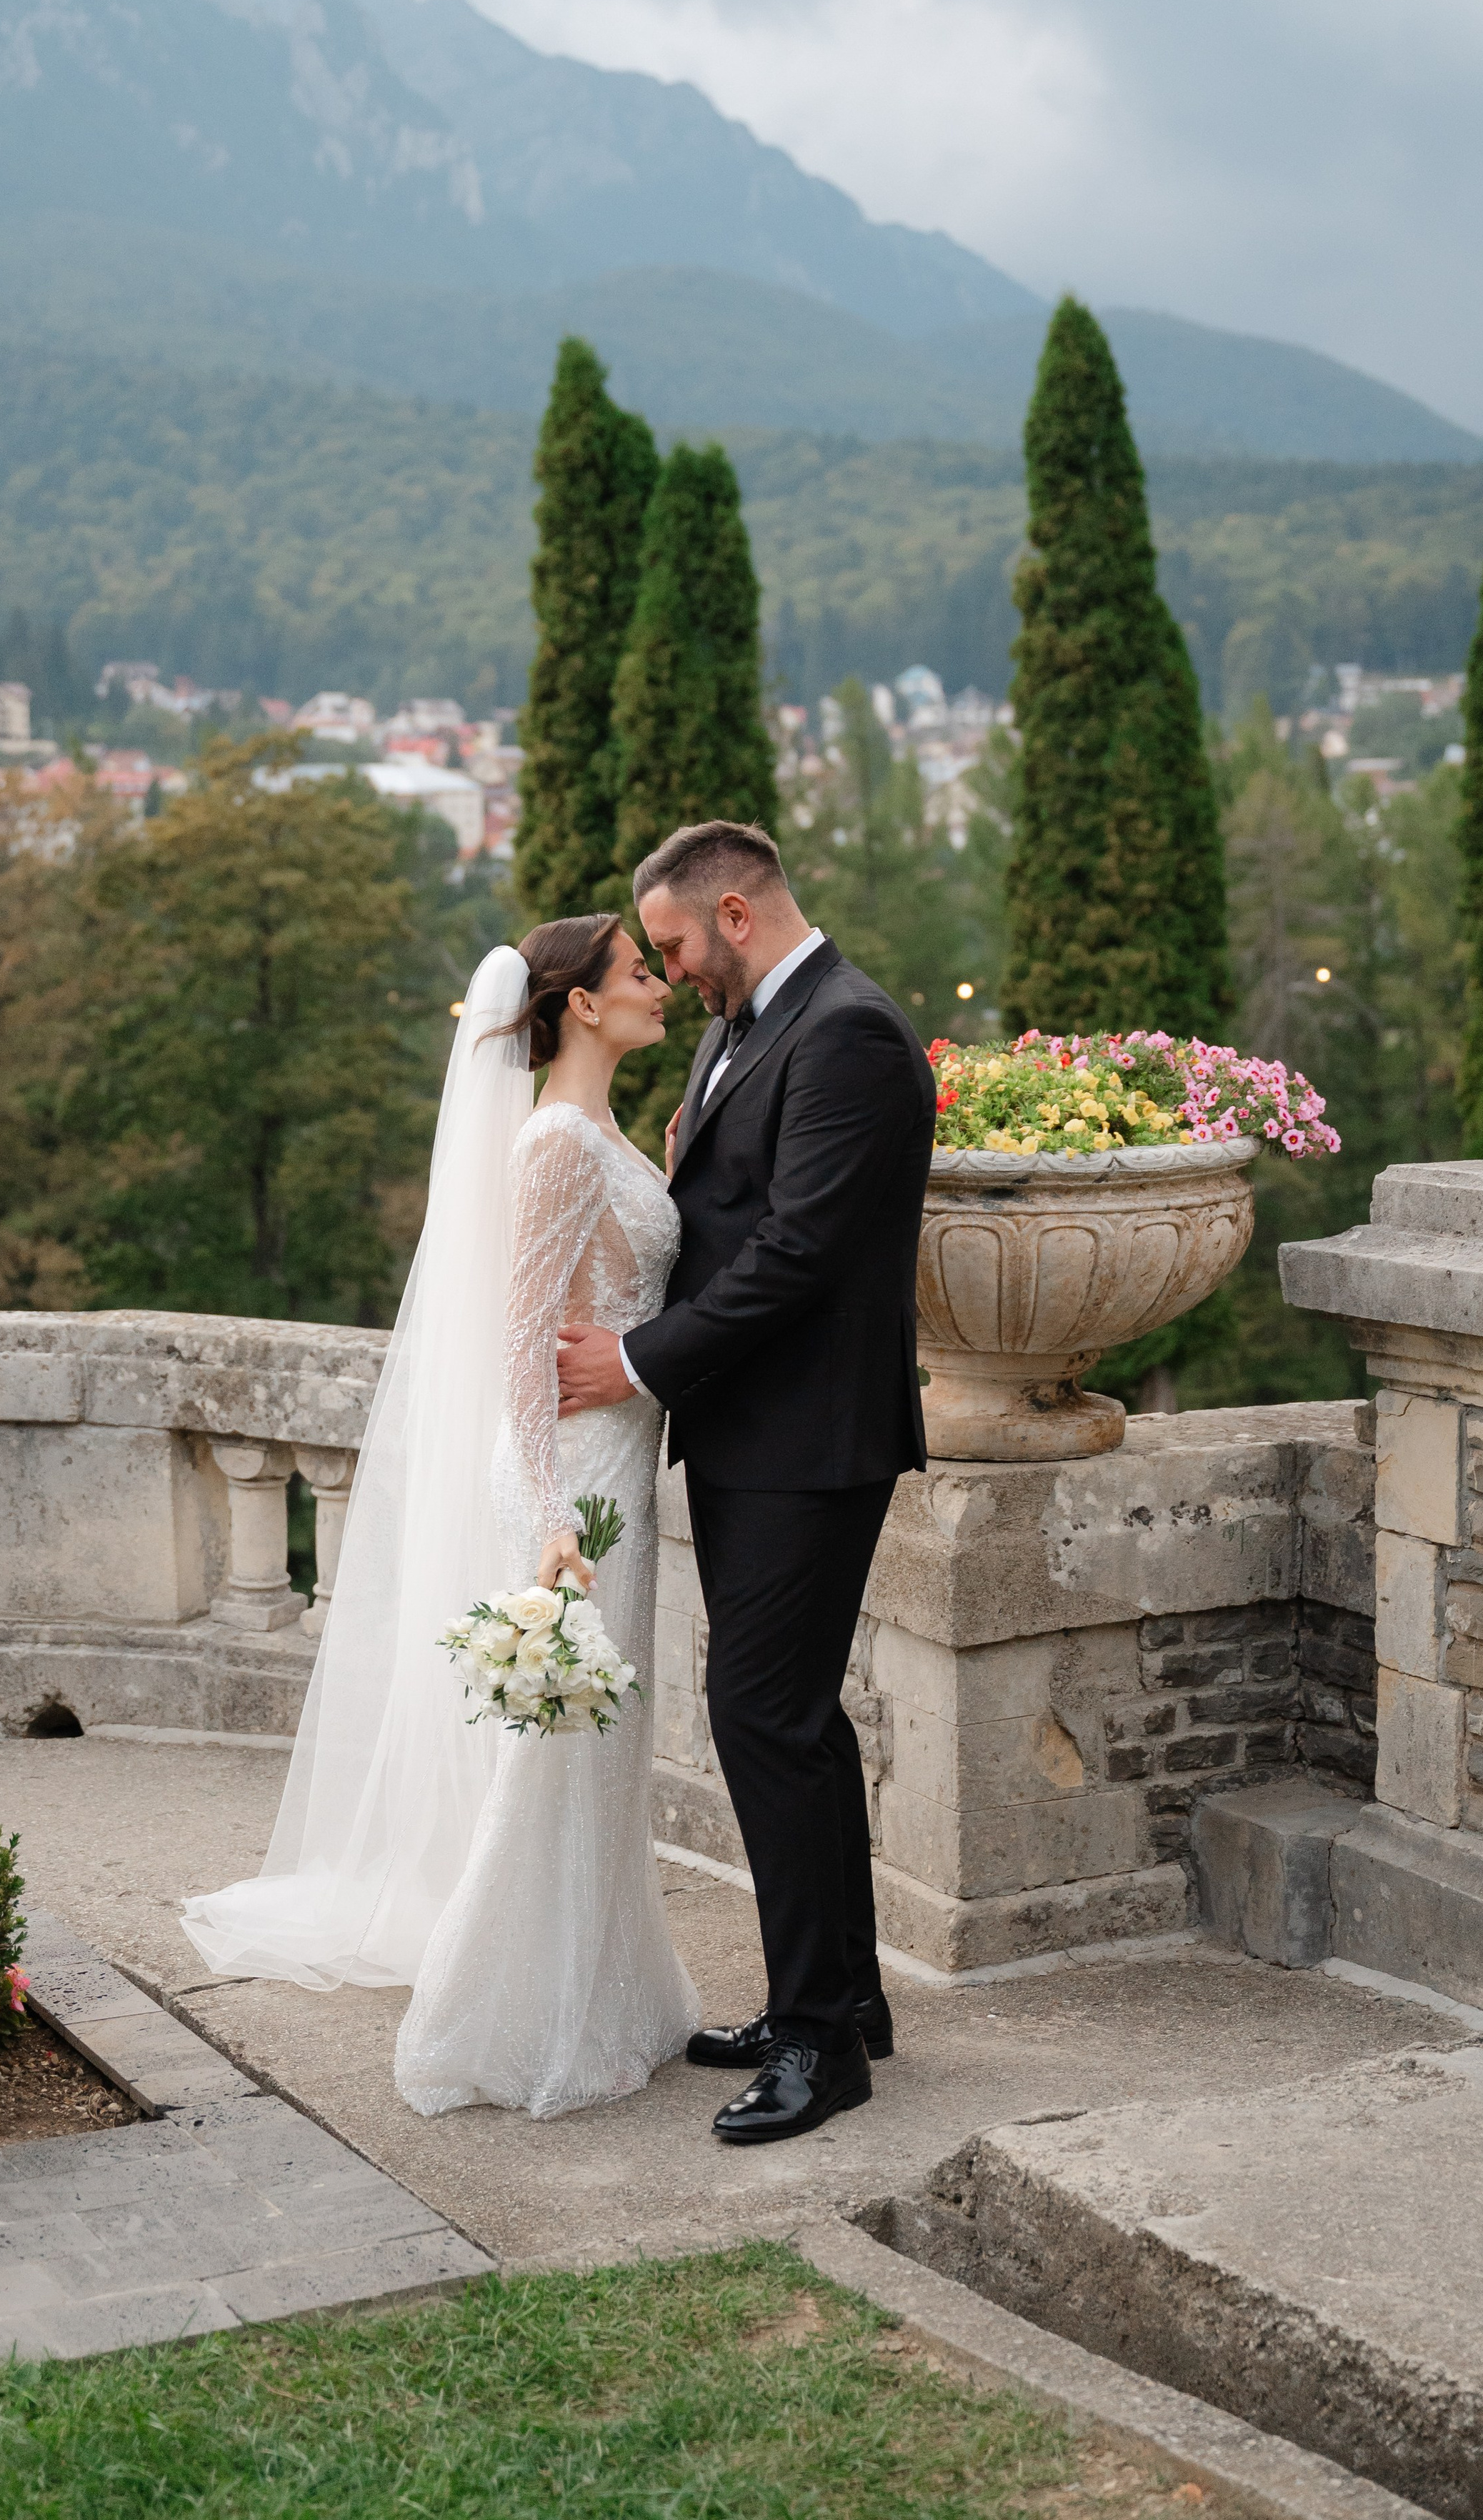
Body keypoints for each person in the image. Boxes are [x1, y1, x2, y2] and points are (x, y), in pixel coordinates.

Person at [181, 916, 699, 2120]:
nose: (660, 987)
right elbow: (519, 1343)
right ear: (579, 1004)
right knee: (557, 1755)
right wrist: (551, 1516)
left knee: (603, 1750)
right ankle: (508, 2017)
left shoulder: (603, 1130)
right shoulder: (558, 1144)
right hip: (575, 1477)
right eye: (639, 973)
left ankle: (611, 1991)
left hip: (614, 1457)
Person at [556, 820, 937, 2145]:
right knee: (801, 1724)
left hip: (813, 1441)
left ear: (733, 912)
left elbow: (800, 1256)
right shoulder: (745, 1026)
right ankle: (845, 1999)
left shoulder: (851, 1032)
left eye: (671, 945)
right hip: (747, 1435)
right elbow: (724, 1213)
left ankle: (821, 2045)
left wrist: (634, 1362)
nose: (667, 973)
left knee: (762, 1719)